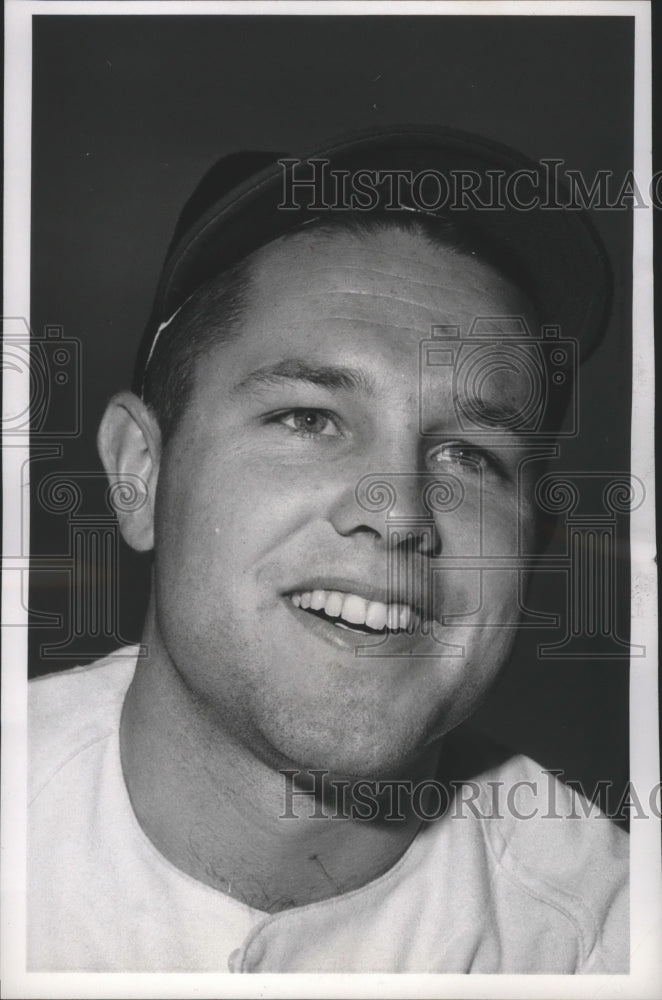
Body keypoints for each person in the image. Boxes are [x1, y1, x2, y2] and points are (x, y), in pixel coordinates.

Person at [28, 126, 628, 973]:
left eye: (472, 457)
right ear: (141, 474)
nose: (398, 515)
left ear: (533, 550)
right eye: (308, 419)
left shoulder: (614, 941)